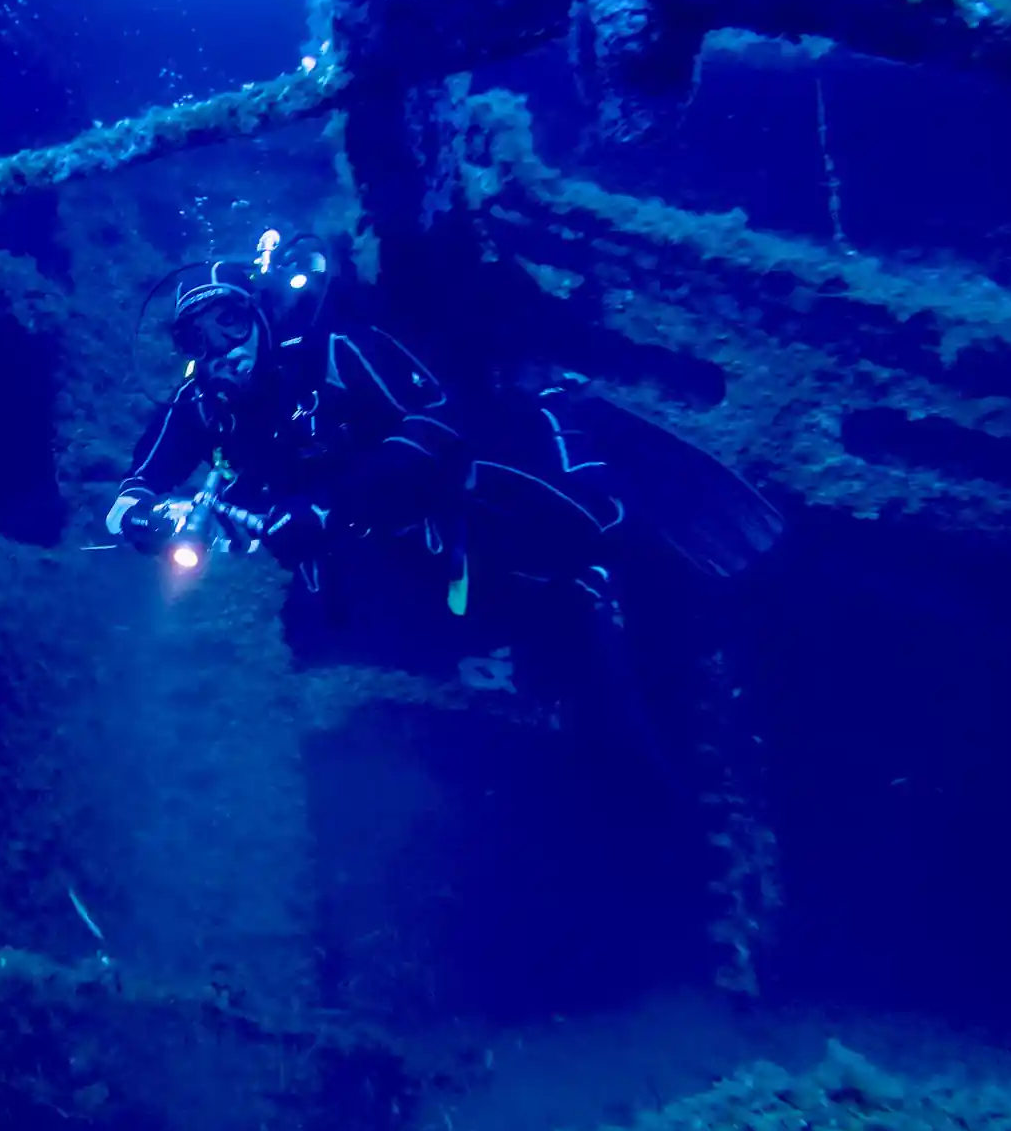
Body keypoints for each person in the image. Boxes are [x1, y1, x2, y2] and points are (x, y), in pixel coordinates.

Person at [107, 229, 784, 757]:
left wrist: (327, 506)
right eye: (197, 338)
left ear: (257, 315)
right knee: (397, 618)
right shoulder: (199, 407)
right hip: (370, 544)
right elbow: (132, 488)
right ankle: (530, 658)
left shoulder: (338, 353)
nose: (220, 349)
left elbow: (436, 418)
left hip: (445, 496)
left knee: (587, 524)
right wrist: (146, 517)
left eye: (229, 323)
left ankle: (648, 546)